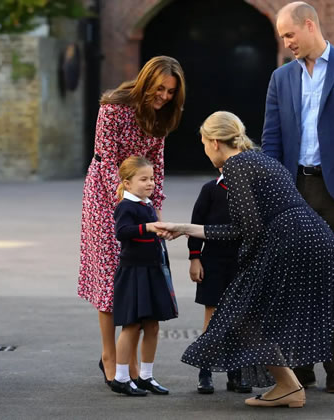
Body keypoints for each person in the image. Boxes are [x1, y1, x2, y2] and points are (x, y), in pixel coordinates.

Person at [156, 111, 334, 408]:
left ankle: (288, 386)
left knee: (242, 315)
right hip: (315, 238)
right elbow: (248, 225)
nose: (204, 151)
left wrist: (243, 269)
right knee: (258, 316)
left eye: (203, 143)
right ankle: (289, 386)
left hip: (288, 243)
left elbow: (246, 230)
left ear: (215, 142)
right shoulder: (261, 159)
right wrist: (185, 229)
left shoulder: (235, 166)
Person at [261, 1, 334, 393]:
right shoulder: (280, 78)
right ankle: (301, 368)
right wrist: (271, 191)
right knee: (294, 280)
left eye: (289, 34)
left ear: (309, 25)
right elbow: (272, 138)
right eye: (283, 37)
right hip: (294, 188)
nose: (286, 43)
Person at [78, 56, 185, 386]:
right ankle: (109, 357)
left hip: (141, 198)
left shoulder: (162, 115)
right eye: (161, 88)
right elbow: (108, 161)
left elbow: (158, 166)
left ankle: (132, 364)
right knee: (113, 278)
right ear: (146, 81)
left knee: (139, 278)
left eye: (171, 92)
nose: (165, 96)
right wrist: (129, 203)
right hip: (105, 195)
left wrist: (155, 208)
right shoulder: (113, 106)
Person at [110, 156, 177, 396]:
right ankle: (120, 377)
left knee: (153, 325)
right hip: (134, 272)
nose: (151, 183)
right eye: (144, 179)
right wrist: (148, 228)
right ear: (127, 183)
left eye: (152, 178)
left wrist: (162, 233)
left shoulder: (146, 204)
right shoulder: (125, 206)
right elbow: (122, 232)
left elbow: (150, 235)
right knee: (132, 325)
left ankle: (146, 376)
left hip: (153, 270)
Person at [188, 168, 251, 395]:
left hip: (242, 261)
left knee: (239, 318)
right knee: (212, 316)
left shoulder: (251, 191)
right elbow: (196, 224)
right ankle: (205, 371)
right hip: (213, 261)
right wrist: (195, 257)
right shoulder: (211, 190)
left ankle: (236, 372)